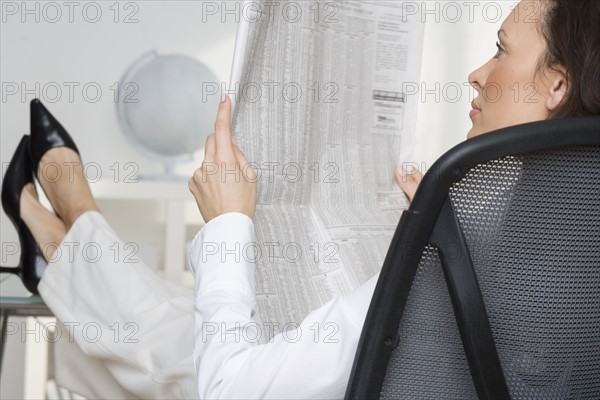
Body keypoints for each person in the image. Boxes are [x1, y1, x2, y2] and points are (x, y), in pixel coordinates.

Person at [1, 0, 598, 398]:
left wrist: (230, 226)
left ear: (557, 84)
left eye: (500, 50)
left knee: (171, 346)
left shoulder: (472, 260)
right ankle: (66, 243)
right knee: (160, 333)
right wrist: (443, 239)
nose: (475, 72)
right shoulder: (560, 246)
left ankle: (70, 237)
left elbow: (230, 388)